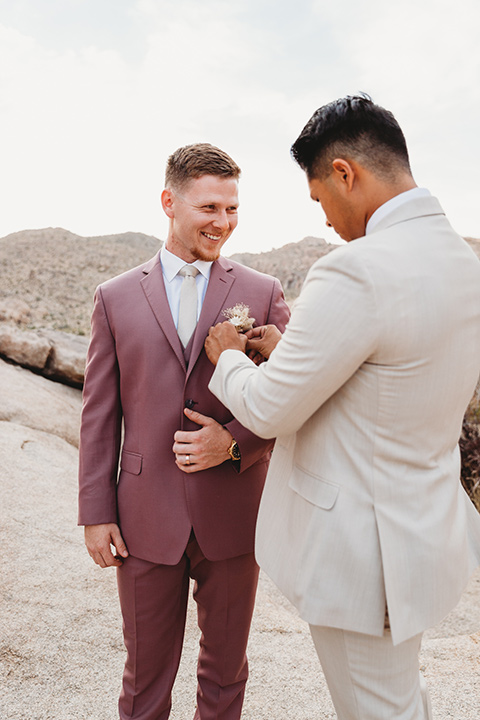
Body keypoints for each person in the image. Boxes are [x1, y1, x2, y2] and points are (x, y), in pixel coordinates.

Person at [204, 96, 480, 719]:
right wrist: (293, 347)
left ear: (345, 173)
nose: (325, 219)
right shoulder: (464, 263)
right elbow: (395, 372)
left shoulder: (355, 269)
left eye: (319, 198)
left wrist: (229, 358)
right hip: (421, 538)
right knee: (403, 698)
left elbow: (271, 411)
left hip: (364, 555)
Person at [78, 142, 290, 720]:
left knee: (225, 677)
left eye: (232, 209)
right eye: (209, 208)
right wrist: (97, 513)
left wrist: (236, 442)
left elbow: (296, 397)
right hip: (144, 514)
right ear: (169, 201)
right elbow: (99, 413)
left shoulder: (262, 293)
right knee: (144, 677)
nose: (223, 223)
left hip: (233, 512)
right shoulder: (115, 297)